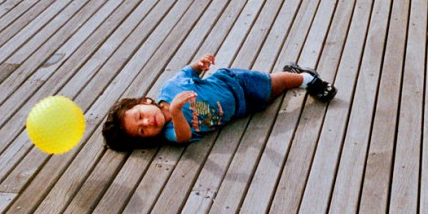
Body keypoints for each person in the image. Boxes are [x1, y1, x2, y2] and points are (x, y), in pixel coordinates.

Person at [102, 55, 336, 152]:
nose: (147, 122)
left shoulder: (171, 87)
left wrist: (200, 64)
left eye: (140, 115)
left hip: (234, 83)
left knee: (275, 82)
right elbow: (184, 137)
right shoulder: (171, 132)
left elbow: (188, 72)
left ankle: (308, 79)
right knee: (270, 96)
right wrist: (175, 111)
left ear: (145, 101)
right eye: (142, 131)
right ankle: (294, 73)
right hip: (241, 109)